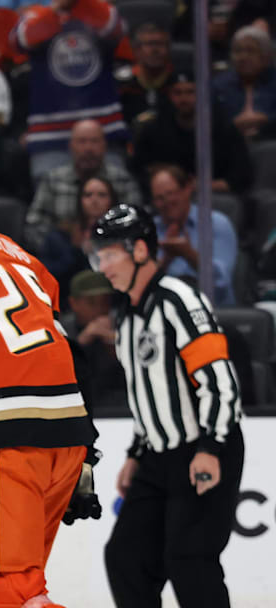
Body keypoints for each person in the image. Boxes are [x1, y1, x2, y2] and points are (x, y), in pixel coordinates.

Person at [0, 146, 99, 608]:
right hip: (66, 435)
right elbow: (53, 342)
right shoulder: (18, 251)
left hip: (4, 437)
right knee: (0, 588)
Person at [91, 204, 244, 608]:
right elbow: (151, 396)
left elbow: (220, 382)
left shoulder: (179, 299)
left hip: (204, 449)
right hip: (158, 459)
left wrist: (211, 448)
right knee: (126, 557)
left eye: (109, 255)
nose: (102, 266)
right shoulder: (127, 318)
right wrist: (136, 455)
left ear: (139, 250)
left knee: (190, 560)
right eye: (98, 256)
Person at [11, 0, 129, 179]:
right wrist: (56, 9)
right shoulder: (34, 15)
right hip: (49, 138)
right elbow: (22, 40)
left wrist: (81, 5)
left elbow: (114, 28)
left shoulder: (100, 8)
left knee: (110, 199)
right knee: (52, 204)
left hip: (103, 133)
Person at [132, 71, 253, 196]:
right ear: (169, 95)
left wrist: (203, 186)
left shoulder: (223, 128)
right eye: (178, 93)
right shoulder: (155, 130)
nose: (184, 99)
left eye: (190, 92)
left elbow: (241, 177)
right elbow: (140, 169)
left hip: (214, 196)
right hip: (168, 197)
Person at [25, 120, 142, 249]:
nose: (88, 148)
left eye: (94, 141)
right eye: (82, 141)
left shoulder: (122, 180)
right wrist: (60, 243)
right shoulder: (53, 180)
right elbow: (34, 226)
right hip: (62, 259)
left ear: (104, 146)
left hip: (114, 255)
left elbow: (137, 224)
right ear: (71, 146)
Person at [149, 165, 238, 307]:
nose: (167, 202)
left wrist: (188, 254)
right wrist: (166, 260)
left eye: (171, 193)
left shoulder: (215, 224)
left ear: (187, 189)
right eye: (159, 198)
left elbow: (222, 281)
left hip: (214, 311)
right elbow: (142, 287)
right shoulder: (150, 230)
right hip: (165, 311)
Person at [37, 175, 117, 301]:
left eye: (102, 195)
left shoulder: (123, 238)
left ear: (112, 200)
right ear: (79, 200)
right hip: (70, 305)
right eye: (88, 195)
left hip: (114, 304)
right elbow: (46, 278)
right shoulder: (60, 237)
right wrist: (75, 250)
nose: (94, 200)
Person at [61, 270, 128, 415]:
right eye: (92, 302)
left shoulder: (123, 325)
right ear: (74, 303)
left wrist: (115, 344)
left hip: (118, 409)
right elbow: (57, 372)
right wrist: (81, 342)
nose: (101, 309)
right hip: (74, 408)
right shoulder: (61, 329)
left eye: (105, 301)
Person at [213, 25, 276, 140]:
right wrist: (232, 125)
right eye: (238, 51)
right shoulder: (219, 85)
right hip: (231, 143)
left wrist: (267, 120)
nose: (243, 57)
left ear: (266, 56)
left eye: (250, 50)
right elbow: (211, 121)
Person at [116, 23, 175, 129]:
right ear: (136, 50)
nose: (155, 50)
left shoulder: (178, 83)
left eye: (160, 44)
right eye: (149, 44)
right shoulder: (120, 83)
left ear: (169, 49)